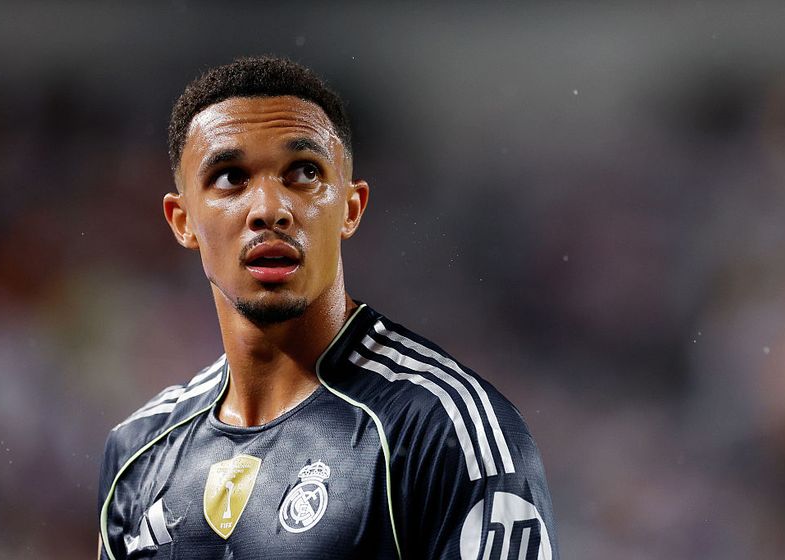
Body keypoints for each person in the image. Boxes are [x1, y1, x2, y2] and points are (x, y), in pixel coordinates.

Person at [97, 55, 559, 560]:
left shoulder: (445, 432)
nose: (269, 209)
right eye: (230, 178)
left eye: (304, 172)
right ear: (181, 220)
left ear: (351, 207)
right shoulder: (136, 452)